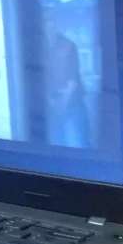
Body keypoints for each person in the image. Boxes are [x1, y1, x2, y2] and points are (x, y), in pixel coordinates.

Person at [44, 14, 90, 147]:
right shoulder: (41, 48)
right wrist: (50, 100)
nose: (49, 29)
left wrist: (62, 104)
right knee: (57, 142)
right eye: (46, 25)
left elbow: (73, 81)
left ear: (55, 26)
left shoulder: (68, 46)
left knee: (80, 142)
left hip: (73, 102)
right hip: (53, 104)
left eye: (51, 24)